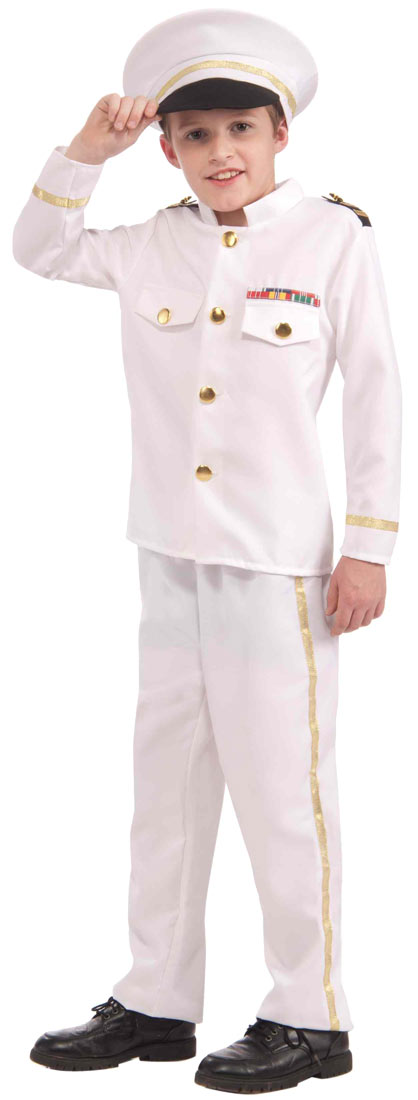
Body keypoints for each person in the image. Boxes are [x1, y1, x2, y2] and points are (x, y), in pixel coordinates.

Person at [12, 8, 402, 1093]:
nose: (220, 151)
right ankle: (155, 998)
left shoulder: (332, 237)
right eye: (194, 134)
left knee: (284, 794)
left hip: (279, 565)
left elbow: (375, 395)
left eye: (239, 128)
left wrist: (369, 546)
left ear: (281, 134)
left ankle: (310, 1017)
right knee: (167, 789)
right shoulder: (151, 242)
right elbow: (39, 249)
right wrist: (82, 153)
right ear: (167, 148)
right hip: (167, 554)